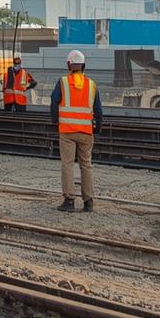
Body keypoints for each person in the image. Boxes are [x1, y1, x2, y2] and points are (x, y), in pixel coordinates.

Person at [50, 49, 102, 212]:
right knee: (86, 165)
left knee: (67, 164)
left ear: (68, 65)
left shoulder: (63, 82)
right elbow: (98, 110)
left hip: (67, 131)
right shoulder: (92, 84)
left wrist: (55, 121)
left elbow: (53, 102)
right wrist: (97, 127)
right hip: (86, 132)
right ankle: (88, 202)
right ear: (84, 66)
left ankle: (69, 201)